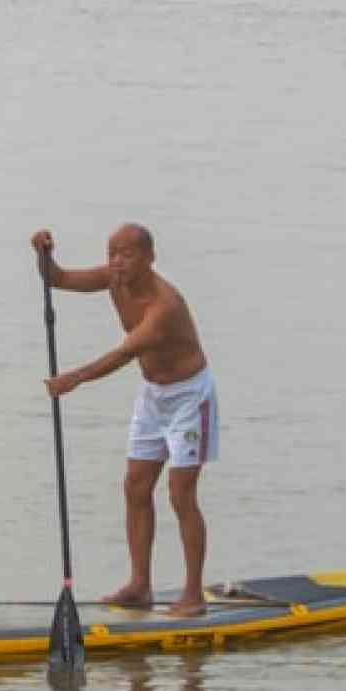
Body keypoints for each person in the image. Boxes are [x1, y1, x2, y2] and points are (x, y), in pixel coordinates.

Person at [30, 225, 218, 616]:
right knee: (135, 487)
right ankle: (139, 586)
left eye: (127, 254)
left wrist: (75, 378)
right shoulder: (113, 279)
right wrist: (43, 253)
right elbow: (57, 279)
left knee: (181, 494)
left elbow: (123, 353)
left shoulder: (164, 306)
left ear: (149, 258)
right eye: (112, 252)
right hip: (153, 395)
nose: (117, 262)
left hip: (189, 397)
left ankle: (193, 594)